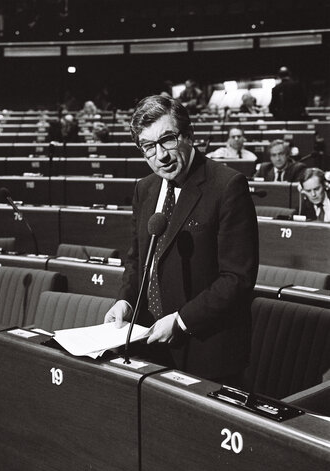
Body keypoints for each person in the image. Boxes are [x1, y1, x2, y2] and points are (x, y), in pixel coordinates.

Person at [104, 95, 259, 383]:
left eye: (168, 140)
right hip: (147, 343)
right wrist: (125, 301)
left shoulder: (227, 186)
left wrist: (181, 320)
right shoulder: (144, 189)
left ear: (188, 135)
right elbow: (138, 259)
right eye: (148, 147)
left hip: (206, 350)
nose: (160, 155)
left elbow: (236, 278)